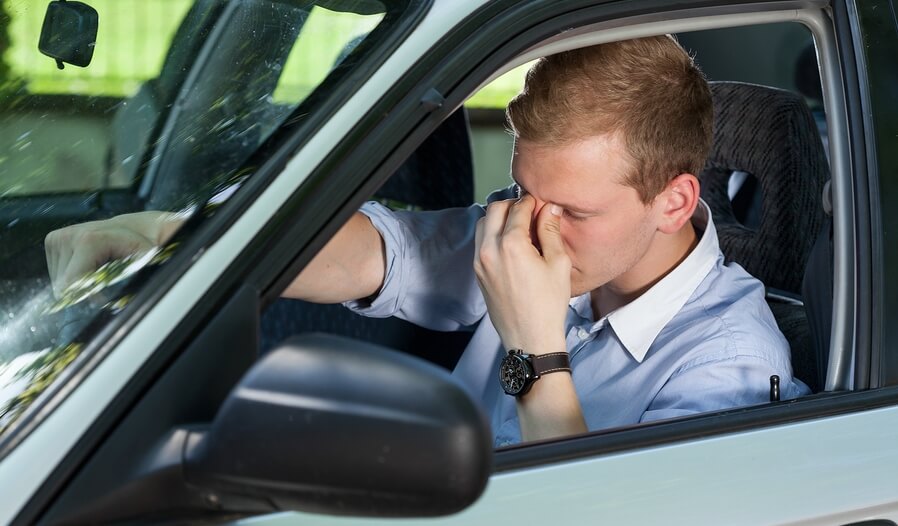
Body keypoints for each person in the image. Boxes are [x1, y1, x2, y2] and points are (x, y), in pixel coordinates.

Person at [45, 35, 808, 447]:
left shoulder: (730, 364)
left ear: (674, 201)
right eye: (521, 190)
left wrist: (533, 345)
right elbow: (372, 251)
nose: (531, 229)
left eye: (571, 210)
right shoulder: (525, 229)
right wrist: (164, 235)